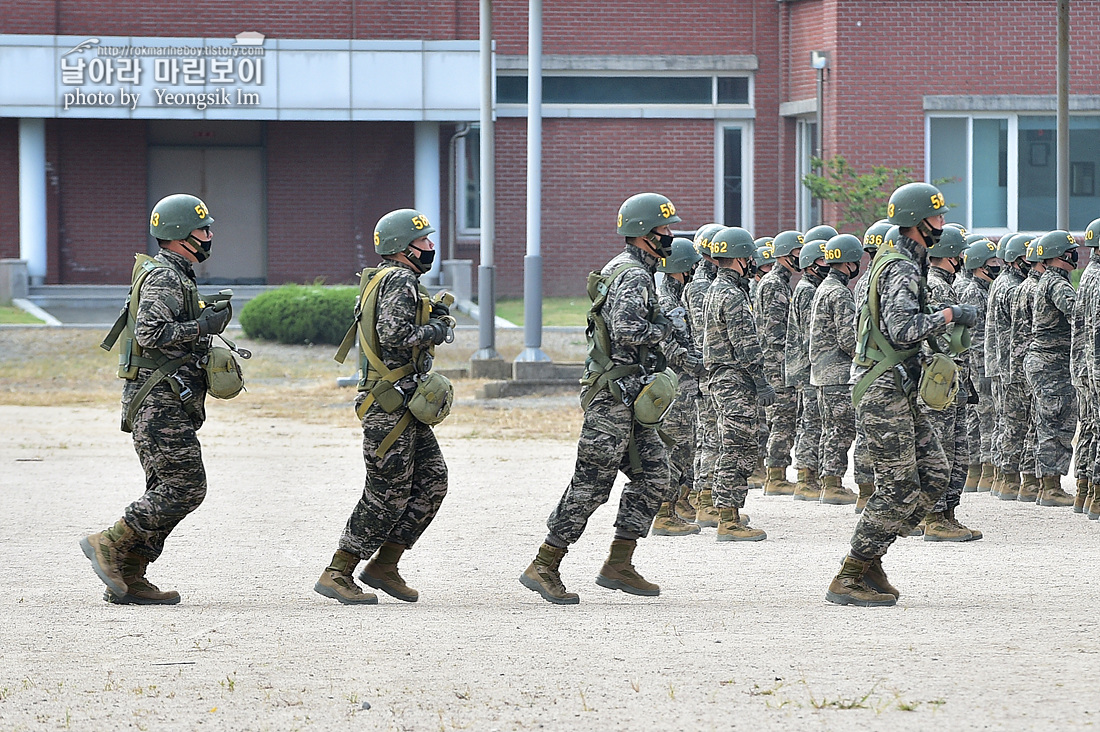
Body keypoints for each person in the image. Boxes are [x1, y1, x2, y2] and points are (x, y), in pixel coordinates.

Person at [520, 193, 683, 604]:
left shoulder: (634, 270)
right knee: (592, 484)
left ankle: (619, 564)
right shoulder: (633, 275)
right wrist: (665, 328)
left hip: (629, 394)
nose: (670, 235)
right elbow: (628, 330)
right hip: (612, 396)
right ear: (644, 234)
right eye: (664, 230)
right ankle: (544, 563)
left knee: (654, 476)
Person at [827, 182, 974, 607]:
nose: (942, 224)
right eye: (937, 217)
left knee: (934, 474)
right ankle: (850, 574)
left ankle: (872, 558)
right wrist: (951, 314)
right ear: (917, 221)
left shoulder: (905, 262)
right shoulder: (901, 268)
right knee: (897, 486)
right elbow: (902, 329)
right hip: (883, 387)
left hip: (899, 385)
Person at [81, 193, 229, 605]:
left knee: (167, 486)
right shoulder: (165, 275)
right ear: (180, 234)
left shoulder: (176, 274)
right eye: (203, 229)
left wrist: (202, 319)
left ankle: (130, 575)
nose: (209, 235)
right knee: (186, 486)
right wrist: (201, 326)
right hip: (157, 400)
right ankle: (109, 542)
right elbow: (151, 334)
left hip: (165, 399)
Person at [315, 208, 454, 605]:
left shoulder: (390, 279)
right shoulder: (399, 279)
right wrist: (437, 329)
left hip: (402, 403)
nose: (430, 246)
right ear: (401, 247)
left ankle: (384, 565)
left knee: (433, 481)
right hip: (388, 406)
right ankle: (337, 571)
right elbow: (394, 336)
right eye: (423, 241)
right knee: (387, 491)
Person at [703, 226, 772, 541]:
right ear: (741, 258)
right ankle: (727, 520)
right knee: (738, 447)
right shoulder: (731, 294)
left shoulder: (718, 288)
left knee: (732, 445)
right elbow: (745, 344)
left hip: (723, 378)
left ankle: (727, 512)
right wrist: (761, 382)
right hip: (734, 380)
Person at [920, 225, 979, 541]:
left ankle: (947, 513)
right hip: (941, 381)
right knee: (940, 451)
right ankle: (934, 517)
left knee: (957, 451)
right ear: (952, 254)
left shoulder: (946, 285)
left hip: (952, 382)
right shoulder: (936, 288)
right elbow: (942, 339)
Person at [652, 237, 704, 536]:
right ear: (681, 268)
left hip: (684, 388)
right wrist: (696, 362)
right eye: (692, 266)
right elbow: (668, 346)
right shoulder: (667, 302)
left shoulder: (677, 299)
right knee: (674, 449)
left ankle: (676, 504)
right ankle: (663, 512)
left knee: (684, 449)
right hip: (674, 389)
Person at [1026, 230, 1080, 507]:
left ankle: (1046, 484)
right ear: (1062, 255)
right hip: (1052, 363)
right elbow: (1078, 316)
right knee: (1056, 423)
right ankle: (1050, 487)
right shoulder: (1057, 284)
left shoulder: (1047, 280)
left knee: (1047, 421)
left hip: (1044, 361)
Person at [809, 234, 863, 506]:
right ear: (849, 262)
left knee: (831, 430)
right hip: (838, 374)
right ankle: (832, 484)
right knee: (841, 431)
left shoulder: (824, 287)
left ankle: (828, 482)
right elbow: (848, 338)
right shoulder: (840, 293)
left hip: (822, 373)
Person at [756, 230, 803, 497]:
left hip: (779, 361)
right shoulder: (774, 284)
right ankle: (776, 476)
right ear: (785, 255)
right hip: (778, 363)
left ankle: (776, 472)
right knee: (782, 419)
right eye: (797, 253)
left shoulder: (779, 282)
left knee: (783, 418)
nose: (801, 258)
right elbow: (776, 332)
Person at [786, 233, 832, 501]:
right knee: (811, 422)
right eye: (822, 259)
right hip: (810, 366)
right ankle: (805, 478)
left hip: (812, 365)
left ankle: (809, 475)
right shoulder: (807, 290)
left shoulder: (810, 288)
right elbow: (809, 334)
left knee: (813, 421)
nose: (827, 263)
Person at [1000, 238, 1043, 501]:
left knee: (1014, 423)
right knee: (1023, 424)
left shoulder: (1015, 286)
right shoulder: (1023, 288)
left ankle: (1010, 481)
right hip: (1021, 364)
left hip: (1013, 363)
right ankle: (1020, 481)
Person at [984, 233, 1027, 497]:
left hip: (1000, 363)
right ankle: (1009, 480)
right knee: (1013, 422)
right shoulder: (1011, 287)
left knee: (1004, 421)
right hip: (1009, 364)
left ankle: (1002, 477)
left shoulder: (1001, 282)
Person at [958, 239, 1001, 497]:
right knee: (985, 418)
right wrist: (980, 369)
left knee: (977, 419)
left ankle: (976, 473)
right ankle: (983, 472)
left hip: (978, 363)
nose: (995, 266)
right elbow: (975, 336)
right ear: (977, 265)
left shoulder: (982, 289)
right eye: (991, 263)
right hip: (978, 364)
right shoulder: (974, 292)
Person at [1071, 218, 1100, 514]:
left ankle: (1085, 491)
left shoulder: (1089, 275)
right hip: (1095, 364)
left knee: (1091, 427)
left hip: (1084, 365)